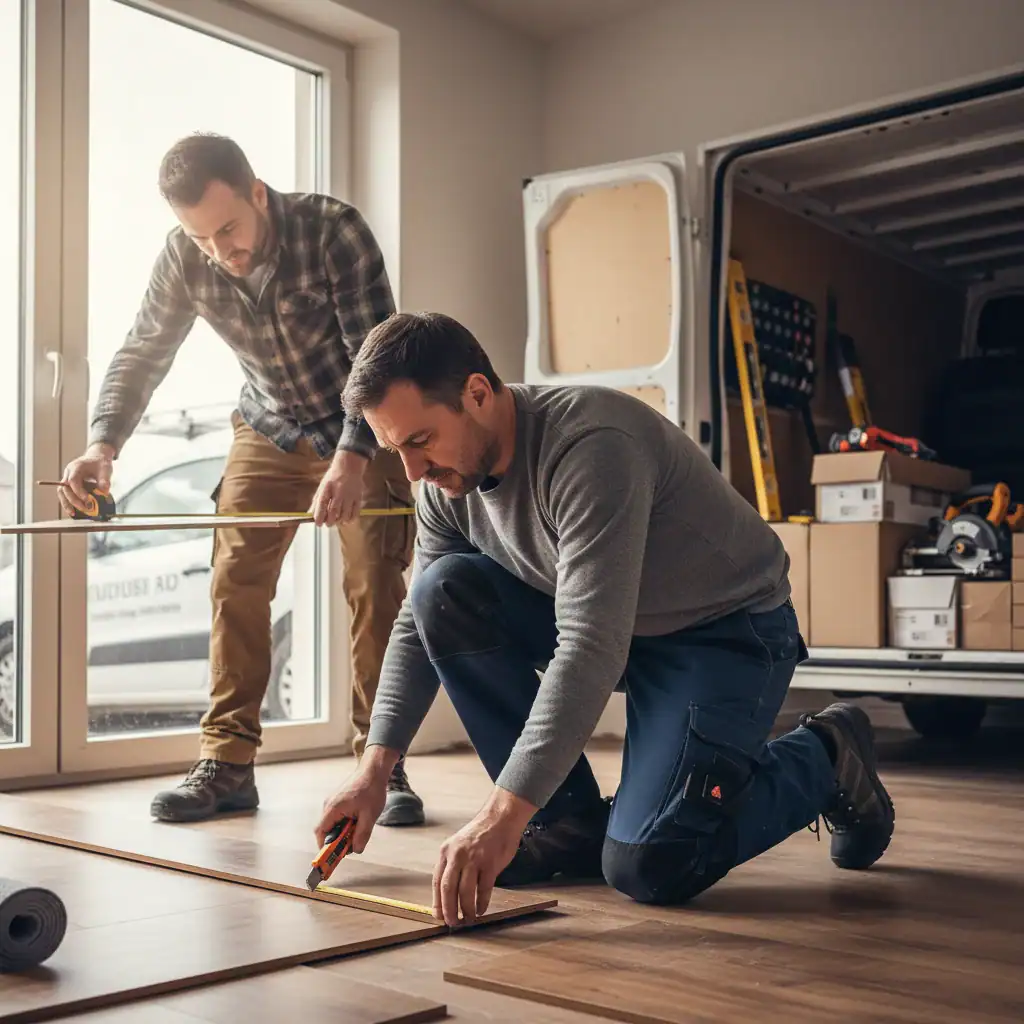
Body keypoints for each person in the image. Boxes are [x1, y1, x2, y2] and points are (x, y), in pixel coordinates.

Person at [314, 310, 896, 926]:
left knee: (652, 864)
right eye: (394, 449)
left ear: (477, 394)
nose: (412, 473)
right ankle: (564, 820)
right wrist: (374, 770)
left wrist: (502, 814)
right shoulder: (444, 485)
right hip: (626, 628)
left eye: (419, 441)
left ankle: (827, 754)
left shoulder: (590, 449)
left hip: (725, 631)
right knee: (441, 592)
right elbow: (415, 622)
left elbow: (590, 645)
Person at [59, 133, 425, 828]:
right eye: (200, 238)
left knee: (376, 588)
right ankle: (228, 764)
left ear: (259, 194)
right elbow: (143, 350)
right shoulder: (184, 259)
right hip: (268, 426)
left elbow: (373, 358)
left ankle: (385, 767)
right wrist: (102, 445)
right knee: (235, 581)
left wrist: (351, 458)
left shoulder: (333, 232)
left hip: (359, 423)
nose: (219, 251)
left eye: (228, 229)